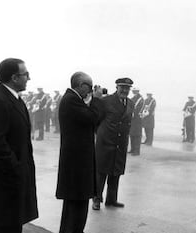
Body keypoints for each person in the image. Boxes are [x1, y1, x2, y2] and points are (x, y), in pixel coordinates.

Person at [0, 58, 38, 233]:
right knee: (1, 225)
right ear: (14, 77)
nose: (29, 78)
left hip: (14, 180)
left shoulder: (15, 99)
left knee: (12, 224)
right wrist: (17, 167)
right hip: (3, 182)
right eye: (25, 74)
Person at [56, 72, 103, 233]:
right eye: (89, 86)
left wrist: (91, 101)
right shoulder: (71, 100)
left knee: (76, 206)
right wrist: (96, 99)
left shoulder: (74, 100)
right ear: (81, 85)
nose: (90, 90)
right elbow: (93, 118)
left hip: (77, 163)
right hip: (77, 164)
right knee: (76, 207)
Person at [92, 78, 134, 210]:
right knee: (101, 173)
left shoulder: (131, 103)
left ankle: (111, 200)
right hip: (105, 142)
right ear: (116, 87)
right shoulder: (106, 101)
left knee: (115, 172)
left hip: (121, 143)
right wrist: (102, 135)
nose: (125, 91)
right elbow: (96, 120)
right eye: (122, 88)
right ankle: (96, 199)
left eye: (127, 88)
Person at [129, 87, 144, 155]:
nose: (134, 92)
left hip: (138, 119)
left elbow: (140, 109)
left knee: (137, 135)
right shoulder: (133, 98)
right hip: (132, 119)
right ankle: (132, 149)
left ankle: (137, 151)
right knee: (132, 134)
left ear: (138, 91)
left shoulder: (141, 99)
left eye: (135, 91)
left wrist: (134, 113)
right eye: (133, 91)